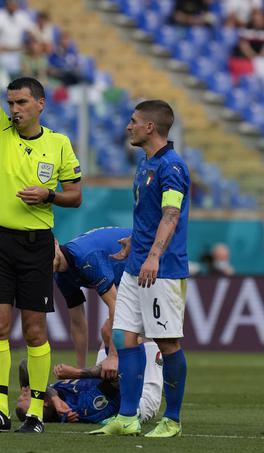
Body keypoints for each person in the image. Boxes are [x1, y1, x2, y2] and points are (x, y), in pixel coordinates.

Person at [0, 20, 83, 434]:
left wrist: (48, 196)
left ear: (41, 104)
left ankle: (34, 412)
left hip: (36, 244)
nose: (14, 109)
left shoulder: (60, 143)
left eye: (22, 103)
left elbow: (76, 195)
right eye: (11, 102)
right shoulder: (0, 132)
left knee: (34, 329)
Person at [90, 100, 190, 438]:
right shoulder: (145, 163)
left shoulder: (172, 166)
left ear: (150, 127)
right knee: (124, 337)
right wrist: (135, 242)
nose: (128, 126)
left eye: (133, 121)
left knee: (167, 343)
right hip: (136, 266)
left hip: (161, 270)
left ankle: (172, 419)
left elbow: (171, 215)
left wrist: (154, 255)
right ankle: (128, 416)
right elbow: (149, 216)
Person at [15, 338, 163, 425]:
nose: (25, 390)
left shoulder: (55, 397)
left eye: (23, 392)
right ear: (44, 402)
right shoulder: (82, 408)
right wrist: (76, 373)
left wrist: (53, 396)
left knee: (108, 331)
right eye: (26, 395)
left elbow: (25, 366)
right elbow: (118, 376)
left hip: (104, 381)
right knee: (135, 334)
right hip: (139, 398)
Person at [53, 226, 132, 371]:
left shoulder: (86, 257)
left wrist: (113, 356)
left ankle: (148, 390)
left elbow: (116, 306)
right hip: (131, 275)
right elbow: (78, 322)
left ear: (56, 244)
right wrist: (79, 370)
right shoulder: (60, 275)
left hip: (151, 263)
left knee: (125, 335)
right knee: (107, 332)